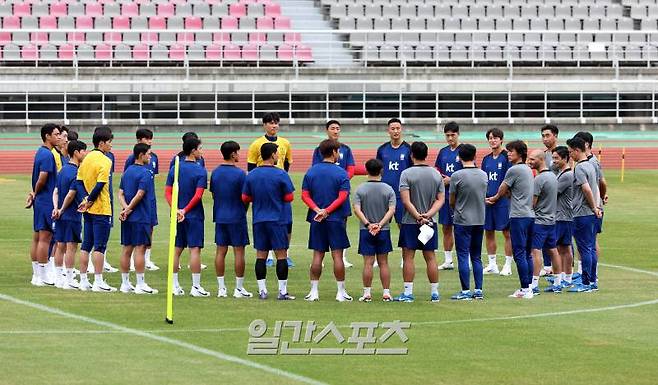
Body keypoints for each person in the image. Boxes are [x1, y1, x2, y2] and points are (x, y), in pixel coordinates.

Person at [242, 142, 296, 300]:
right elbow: (289, 197)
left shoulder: (251, 175)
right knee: (281, 255)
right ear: (273, 155)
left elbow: (245, 197)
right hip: (277, 219)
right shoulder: (281, 174)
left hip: (259, 219)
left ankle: (262, 290)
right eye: (277, 153)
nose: (278, 155)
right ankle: (282, 291)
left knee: (261, 256)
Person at [302, 139, 352, 302]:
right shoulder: (341, 173)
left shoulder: (311, 172)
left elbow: (305, 195)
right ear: (333, 152)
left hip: (317, 219)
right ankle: (340, 292)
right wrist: (328, 211)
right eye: (337, 151)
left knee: (317, 255)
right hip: (336, 218)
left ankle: (314, 291)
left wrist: (318, 210)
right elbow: (343, 196)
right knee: (337, 256)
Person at [395, 141, 444, 303]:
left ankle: (408, 293)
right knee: (430, 256)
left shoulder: (406, 174)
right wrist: (428, 215)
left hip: (410, 222)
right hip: (429, 223)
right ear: (426, 154)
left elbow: (406, 200)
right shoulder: (436, 174)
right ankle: (434, 292)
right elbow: (440, 199)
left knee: (408, 256)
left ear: (411, 155)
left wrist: (417, 216)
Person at [486, 140, 535, 299]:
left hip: (518, 215)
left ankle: (524, 289)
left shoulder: (513, 170)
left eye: (511, 151)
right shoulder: (527, 169)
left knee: (519, 253)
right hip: (529, 215)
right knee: (527, 253)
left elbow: (503, 188)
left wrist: (493, 198)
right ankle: (530, 287)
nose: (508, 153)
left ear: (519, 153)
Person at [247, 112, 295, 268]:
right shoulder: (256, 144)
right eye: (270, 123)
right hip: (262, 185)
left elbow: (287, 163)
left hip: (279, 184)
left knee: (286, 222)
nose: (274, 125)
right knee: (263, 219)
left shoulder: (285, 143)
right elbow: (251, 167)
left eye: (276, 123)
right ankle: (267, 255)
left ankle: (284, 254)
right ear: (264, 125)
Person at [165, 137, 209, 297]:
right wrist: (185, 210)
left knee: (176, 249)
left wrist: (176, 209)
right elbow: (198, 196)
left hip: (177, 215)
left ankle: (174, 285)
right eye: (200, 148)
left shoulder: (175, 168)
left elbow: (168, 192)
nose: (202, 151)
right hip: (194, 215)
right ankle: (196, 286)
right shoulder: (200, 170)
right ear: (193, 151)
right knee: (195, 249)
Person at [209, 141, 253, 299]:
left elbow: (213, 194)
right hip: (237, 216)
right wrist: (243, 209)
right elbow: (246, 197)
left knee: (220, 251)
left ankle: (221, 288)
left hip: (220, 216)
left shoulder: (215, 172)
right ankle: (238, 288)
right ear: (233, 154)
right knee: (239, 252)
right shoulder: (241, 174)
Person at [77, 126, 116, 292]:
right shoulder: (106, 160)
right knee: (100, 246)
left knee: (86, 244)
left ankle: (84, 280)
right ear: (101, 143)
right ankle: (99, 281)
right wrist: (91, 200)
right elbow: (101, 184)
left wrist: (85, 199)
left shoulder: (86, 158)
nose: (111, 146)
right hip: (100, 208)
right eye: (109, 142)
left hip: (88, 209)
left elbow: (78, 181)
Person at [312, 120, 356, 268]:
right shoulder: (320, 150)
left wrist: (341, 180)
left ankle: (342, 257)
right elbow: (316, 168)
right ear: (327, 130)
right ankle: (321, 256)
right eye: (333, 128)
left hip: (341, 189)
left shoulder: (346, 149)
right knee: (320, 222)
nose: (336, 131)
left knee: (342, 223)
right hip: (324, 191)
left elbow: (351, 169)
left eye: (338, 128)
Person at [353, 158, 396, 302]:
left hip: (366, 230)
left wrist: (368, 224)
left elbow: (357, 209)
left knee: (368, 262)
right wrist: (380, 224)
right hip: (383, 230)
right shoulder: (388, 189)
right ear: (381, 171)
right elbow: (391, 210)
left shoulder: (360, 189)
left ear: (367, 170)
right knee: (383, 262)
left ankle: (367, 293)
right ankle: (386, 292)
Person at [449, 144, 488, 300]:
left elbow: (452, 200)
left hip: (462, 219)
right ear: (475, 156)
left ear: (460, 157)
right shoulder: (483, 174)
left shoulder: (457, 175)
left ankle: (465, 291)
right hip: (479, 219)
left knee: (463, 255)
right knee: (476, 256)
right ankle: (478, 289)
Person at [118, 143, 158, 295]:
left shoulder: (127, 171)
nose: (150, 157)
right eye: (148, 154)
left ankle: (125, 283)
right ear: (141, 155)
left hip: (128, 217)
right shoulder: (146, 173)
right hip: (141, 217)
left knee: (127, 249)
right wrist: (129, 209)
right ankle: (140, 284)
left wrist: (125, 209)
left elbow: (120, 193)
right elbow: (140, 194)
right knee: (140, 249)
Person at [566, 136, 602, 293]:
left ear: (576, 150)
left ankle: (586, 282)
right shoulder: (590, 165)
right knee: (590, 248)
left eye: (570, 152)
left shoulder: (580, 168)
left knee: (584, 248)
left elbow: (586, 188)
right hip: (591, 213)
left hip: (582, 212)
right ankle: (592, 280)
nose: (569, 155)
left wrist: (593, 206)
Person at [27, 123, 61, 286]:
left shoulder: (40, 152)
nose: (59, 137)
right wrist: (35, 191)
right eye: (56, 134)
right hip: (46, 199)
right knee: (45, 237)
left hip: (40, 200)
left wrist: (34, 194)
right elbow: (42, 177)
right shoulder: (48, 155)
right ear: (47, 136)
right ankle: (44, 275)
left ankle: (37, 275)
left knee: (38, 237)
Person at [376, 118, 412, 268]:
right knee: (381, 226)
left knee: (403, 227)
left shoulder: (408, 149)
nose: (396, 131)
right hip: (384, 195)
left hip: (402, 195)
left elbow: (412, 171)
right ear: (388, 130)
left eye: (398, 128)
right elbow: (378, 170)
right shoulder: (382, 149)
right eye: (393, 128)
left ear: (401, 129)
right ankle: (379, 258)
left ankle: (405, 258)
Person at [52, 139, 87, 290]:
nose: (85, 154)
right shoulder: (76, 172)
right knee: (71, 247)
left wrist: (56, 208)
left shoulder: (62, 170)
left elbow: (56, 191)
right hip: (71, 214)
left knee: (60, 246)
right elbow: (71, 195)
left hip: (60, 214)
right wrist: (62, 209)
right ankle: (70, 279)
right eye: (83, 151)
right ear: (76, 153)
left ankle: (59, 278)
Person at [527, 149, 562, 294]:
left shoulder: (539, 179)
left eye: (532, 159)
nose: (529, 162)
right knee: (553, 250)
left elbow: (532, 203)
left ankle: (534, 284)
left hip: (540, 221)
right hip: (551, 220)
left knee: (535, 251)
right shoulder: (553, 176)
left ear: (541, 160)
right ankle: (558, 282)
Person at [574, 131, 608, 282]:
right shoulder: (588, 161)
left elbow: (600, 182)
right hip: (592, 206)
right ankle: (585, 272)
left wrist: (599, 198)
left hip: (589, 208)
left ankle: (591, 275)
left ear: (585, 144)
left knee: (590, 242)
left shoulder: (591, 163)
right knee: (586, 243)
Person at [124, 128, 160, 272]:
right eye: (147, 138)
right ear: (139, 140)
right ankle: (134, 260)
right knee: (135, 231)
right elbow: (127, 179)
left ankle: (147, 259)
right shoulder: (132, 159)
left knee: (150, 228)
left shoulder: (154, 157)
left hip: (150, 199)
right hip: (135, 199)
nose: (150, 141)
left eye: (151, 138)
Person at [480, 128, 514, 276]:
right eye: (490, 138)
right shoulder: (486, 159)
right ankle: (492, 264)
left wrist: (498, 196)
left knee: (507, 232)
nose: (492, 140)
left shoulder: (507, 157)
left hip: (503, 200)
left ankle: (507, 265)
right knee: (488, 231)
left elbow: (509, 180)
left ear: (501, 140)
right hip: (488, 201)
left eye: (495, 138)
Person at [435, 121, 463, 270]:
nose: (450, 138)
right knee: (446, 227)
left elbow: (470, 171)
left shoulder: (464, 150)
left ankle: (466, 258)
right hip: (445, 196)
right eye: (448, 135)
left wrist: (451, 180)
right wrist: (440, 179)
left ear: (458, 134)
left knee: (462, 228)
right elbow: (437, 169)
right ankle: (448, 260)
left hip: (461, 196)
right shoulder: (443, 152)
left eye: (453, 135)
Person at [551, 146, 575, 288]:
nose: (554, 161)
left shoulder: (566, 175)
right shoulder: (563, 173)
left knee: (558, 249)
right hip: (564, 215)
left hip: (562, 216)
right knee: (564, 248)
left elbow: (553, 192)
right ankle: (567, 278)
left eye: (556, 158)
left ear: (565, 159)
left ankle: (560, 279)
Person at [539, 124, 560, 275]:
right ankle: (547, 266)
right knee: (546, 232)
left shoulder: (562, 153)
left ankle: (565, 268)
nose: (545, 138)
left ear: (555, 136)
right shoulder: (543, 155)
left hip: (560, 200)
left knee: (560, 235)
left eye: (548, 135)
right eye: (543, 136)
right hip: (545, 201)